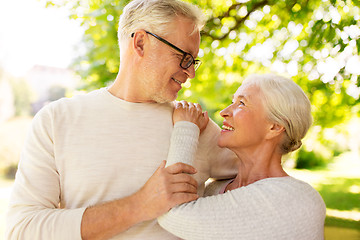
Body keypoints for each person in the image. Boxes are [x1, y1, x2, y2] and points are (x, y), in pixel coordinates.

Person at [5, 0, 238, 239]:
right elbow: (22, 229)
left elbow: (261, 177)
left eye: (194, 60)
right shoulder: (56, 120)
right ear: (140, 43)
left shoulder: (193, 125)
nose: (191, 73)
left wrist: (211, 195)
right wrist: (139, 205)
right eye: (184, 57)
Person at [158, 73, 326, 240]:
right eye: (232, 102)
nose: (224, 112)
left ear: (274, 127)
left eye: (241, 103)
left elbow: (169, 208)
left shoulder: (297, 199)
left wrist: (186, 128)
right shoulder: (215, 189)